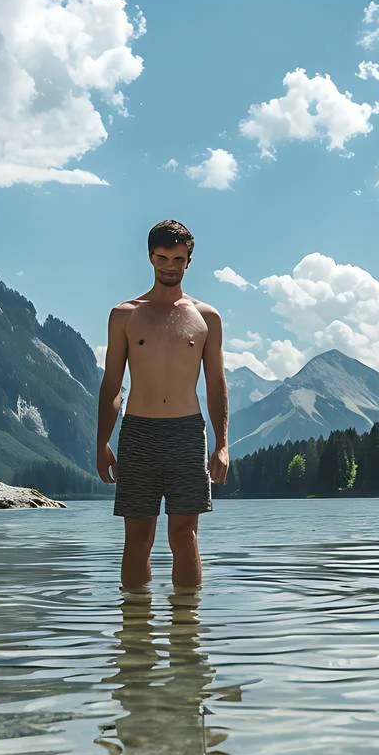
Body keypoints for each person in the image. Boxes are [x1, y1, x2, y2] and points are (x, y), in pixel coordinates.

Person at [97, 219, 229, 590]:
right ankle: (135, 638)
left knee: (184, 537)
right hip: (139, 432)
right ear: (150, 257)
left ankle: (186, 635)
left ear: (189, 260)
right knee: (137, 539)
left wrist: (221, 445)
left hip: (187, 433)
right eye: (162, 257)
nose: (169, 265)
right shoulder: (124, 315)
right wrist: (102, 443)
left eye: (178, 258)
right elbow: (112, 383)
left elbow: (216, 383)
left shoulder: (207, 318)